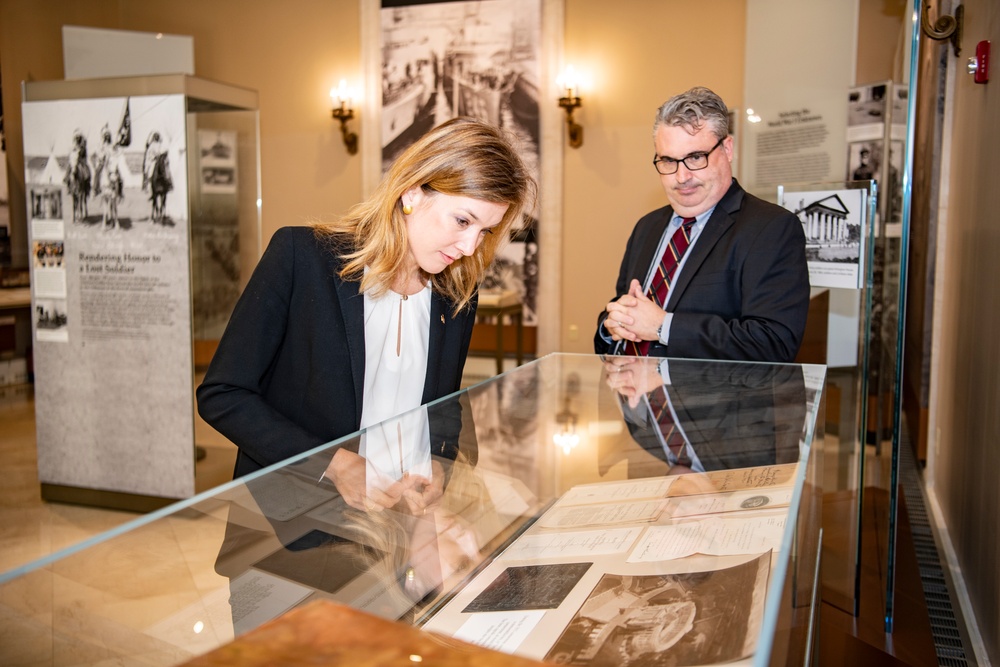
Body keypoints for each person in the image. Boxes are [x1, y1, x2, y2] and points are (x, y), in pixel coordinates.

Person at [197, 117, 536, 481]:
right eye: (462, 221)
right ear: (412, 193)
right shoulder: (302, 257)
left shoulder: (456, 296)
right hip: (297, 520)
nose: (470, 247)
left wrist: (440, 466)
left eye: (485, 231)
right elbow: (223, 394)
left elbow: (444, 406)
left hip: (401, 518)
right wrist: (333, 466)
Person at [595, 86, 809, 363]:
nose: (682, 176)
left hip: (710, 404)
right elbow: (623, 308)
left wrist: (663, 327)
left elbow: (773, 342)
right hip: (633, 400)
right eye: (669, 161)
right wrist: (611, 326)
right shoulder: (646, 227)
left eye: (696, 158)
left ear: (727, 149)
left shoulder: (772, 228)